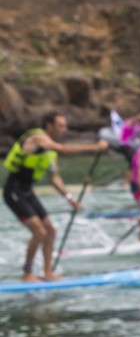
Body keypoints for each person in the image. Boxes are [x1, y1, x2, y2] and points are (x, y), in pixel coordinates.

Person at [3, 111, 108, 282]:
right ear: (49, 126)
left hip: (27, 191)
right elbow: (63, 149)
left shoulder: (50, 152)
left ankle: (47, 272)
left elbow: (54, 177)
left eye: (65, 126)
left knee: (50, 230)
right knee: (39, 231)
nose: (64, 129)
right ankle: (27, 273)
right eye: (61, 125)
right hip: (14, 191)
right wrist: (95, 147)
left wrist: (69, 198)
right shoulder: (37, 137)